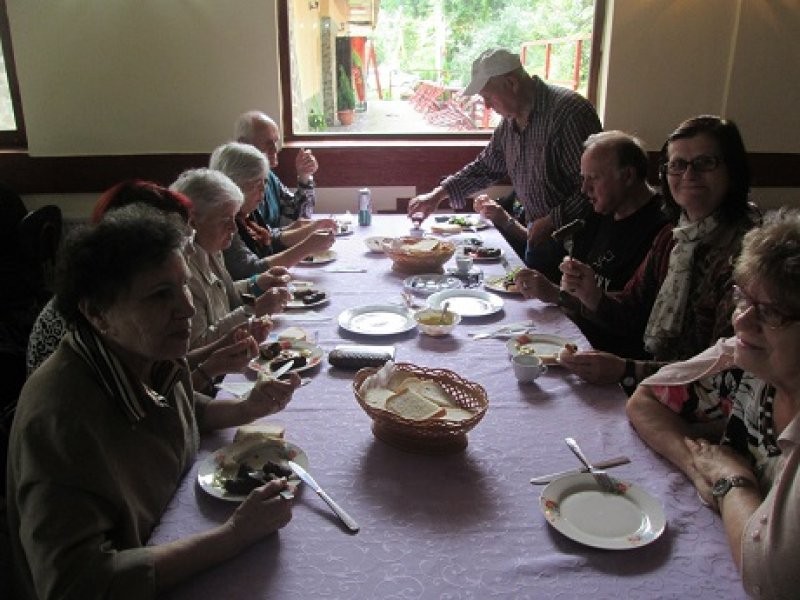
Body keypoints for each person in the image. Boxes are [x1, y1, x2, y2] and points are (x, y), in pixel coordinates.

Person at [6, 207, 300, 599]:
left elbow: (182, 411)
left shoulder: (141, 352)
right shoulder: (61, 421)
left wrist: (247, 408)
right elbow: (74, 583)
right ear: (97, 314)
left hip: (176, 527)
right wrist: (233, 536)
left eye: (184, 285)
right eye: (161, 295)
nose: (188, 308)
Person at [625, 210, 800, 597]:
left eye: (771, 312)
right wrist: (697, 466)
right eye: (743, 298)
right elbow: (647, 399)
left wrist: (731, 481)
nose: (742, 322)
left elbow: (767, 578)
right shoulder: (747, 363)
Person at [555, 116, 760, 390]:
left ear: (732, 170)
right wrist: (591, 294)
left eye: (705, 162)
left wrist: (627, 371)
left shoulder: (750, 256)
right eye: (677, 165)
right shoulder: (672, 238)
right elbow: (632, 309)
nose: (689, 174)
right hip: (655, 380)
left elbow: (725, 371)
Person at [24, 180, 259, 396]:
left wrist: (223, 346)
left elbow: (162, 375)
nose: (189, 248)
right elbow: (152, 403)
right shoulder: (97, 319)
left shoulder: (124, 293)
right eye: (181, 239)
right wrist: (209, 369)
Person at [407, 48, 601, 279]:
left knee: (562, 300)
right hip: (539, 236)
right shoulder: (510, 122)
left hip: (577, 244)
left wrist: (551, 222)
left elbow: (593, 189)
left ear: (511, 83)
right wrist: (437, 195)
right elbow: (486, 167)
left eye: (488, 97)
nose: (487, 106)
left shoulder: (568, 113)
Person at [514, 130, 669, 358]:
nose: (584, 189)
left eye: (593, 178)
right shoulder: (598, 212)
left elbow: (634, 319)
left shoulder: (663, 231)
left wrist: (556, 294)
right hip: (576, 335)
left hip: (613, 356)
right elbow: (578, 292)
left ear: (627, 176)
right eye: (583, 178)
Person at [169, 168, 291, 349]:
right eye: (226, 219)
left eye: (234, 218)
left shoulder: (211, 249)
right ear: (192, 222)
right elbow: (197, 346)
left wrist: (256, 283)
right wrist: (254, 309)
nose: (234, 228)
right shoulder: (182, 272)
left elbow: (223, 296)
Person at [208, 142, 335, 279]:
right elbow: (250, 270)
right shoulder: (223, 223)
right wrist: (306, 247)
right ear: (233, 184)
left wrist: (311, 229)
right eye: (256, 183)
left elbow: (269, 238)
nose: (263, 189)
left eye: (265, 182)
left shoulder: (245, 212)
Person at [234, 110, 317, 227]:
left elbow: (297, 215)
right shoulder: (240, 184)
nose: (275, 149)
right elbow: (259, 234)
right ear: (244, 144)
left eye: (275, 142)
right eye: (267, 143)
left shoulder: (269, 176)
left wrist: (304, 176)